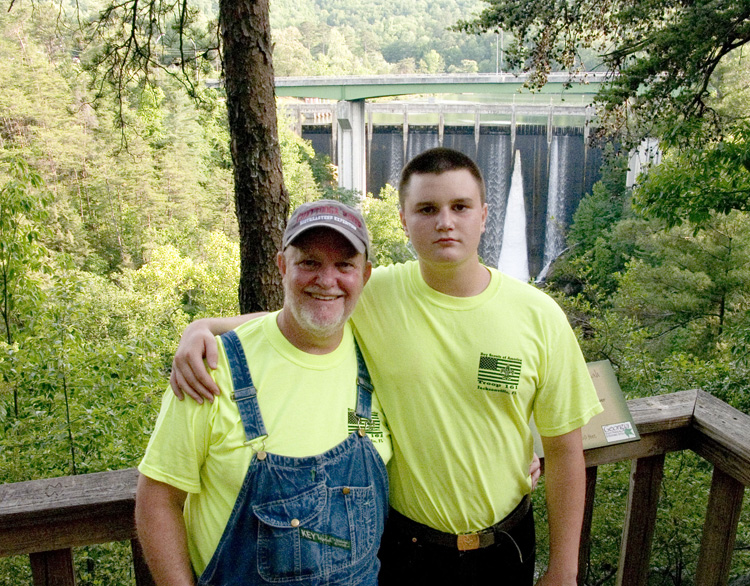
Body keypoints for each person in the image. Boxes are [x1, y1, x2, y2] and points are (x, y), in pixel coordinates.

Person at [171, 148, 602, 586]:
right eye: (427, 209)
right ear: (403, 220)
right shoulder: (376, 293)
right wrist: (205, 326)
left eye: (460, 207)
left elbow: (566, 450)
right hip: (403, 550)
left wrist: (563, 569)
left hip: (504, 547)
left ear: (485, 215)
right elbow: (298, 315)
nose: (445, 222)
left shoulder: (539, 316)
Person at [135, 200, 391, 586]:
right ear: (282, 266)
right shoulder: (211, 367)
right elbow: (157, 500)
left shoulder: (380, 351)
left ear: (366, 275)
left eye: (344, 265)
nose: (326, 280)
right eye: (309, 263)